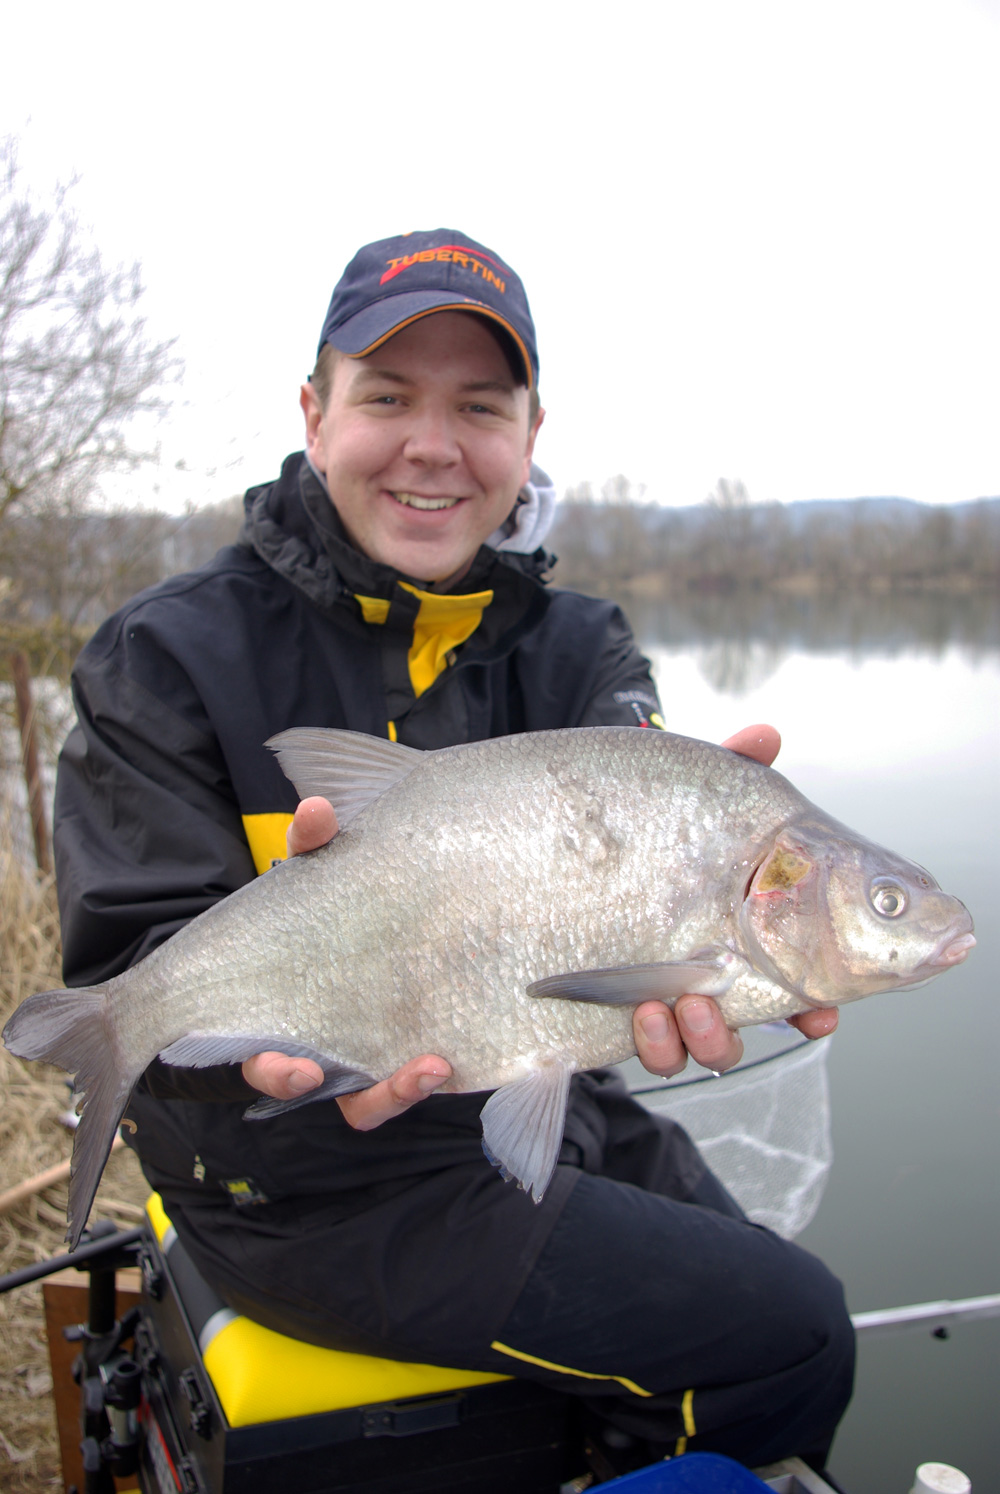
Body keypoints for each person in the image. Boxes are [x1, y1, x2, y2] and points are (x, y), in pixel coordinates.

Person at [54, 229, 853, 1478]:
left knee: (777, 1277)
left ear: (530, 435)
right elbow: (138, 964)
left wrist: (692, 847)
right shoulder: (164, 657)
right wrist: (267, 1067)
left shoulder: (578, 643)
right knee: (796, 1336)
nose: (434, 444)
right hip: (308, 1192)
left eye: (479, 405)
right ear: (314, 415)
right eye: (387, 397)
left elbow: (625, 744)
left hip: (549, 1085)